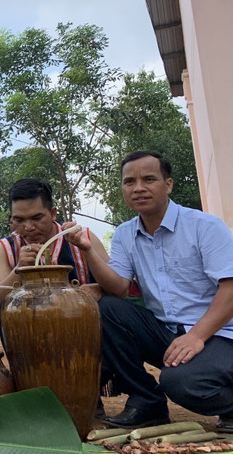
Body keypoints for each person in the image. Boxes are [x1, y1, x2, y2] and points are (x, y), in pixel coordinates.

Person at [66, 151, 233, 431]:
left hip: (219, 334)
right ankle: (146, 402)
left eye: (149, 179)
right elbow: (118, 288)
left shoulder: (204, 226)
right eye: (129, 182)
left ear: (168, 184)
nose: (138, 188)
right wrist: (87, 250)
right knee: (107, 308)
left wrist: (196, 336)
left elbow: (230, 289)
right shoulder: (125, 234)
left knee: (182, 383)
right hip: (166, 333)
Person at [0, 178, 108, 313]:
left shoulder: (82, 239)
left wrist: (100, 288)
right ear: (11, 220)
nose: (29, 227)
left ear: (53, 213)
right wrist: (19, 268)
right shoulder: (6, 249)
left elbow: (119, 287)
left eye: (37, 218)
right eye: (19, 220)